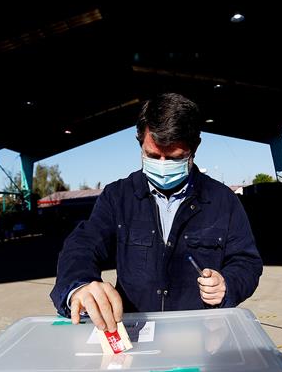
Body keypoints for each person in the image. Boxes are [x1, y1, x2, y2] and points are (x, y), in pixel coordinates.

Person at [50, 93, 263, 333]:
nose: (162, 165)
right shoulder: (117, 197)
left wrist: (229, 284)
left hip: (201, 336)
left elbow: (246, 262)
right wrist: (79, 286)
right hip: (134, 332)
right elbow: (83, 245)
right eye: (152, 156)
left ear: (195, 147)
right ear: (140, 141)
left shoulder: (223, 201)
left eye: (174, 158)